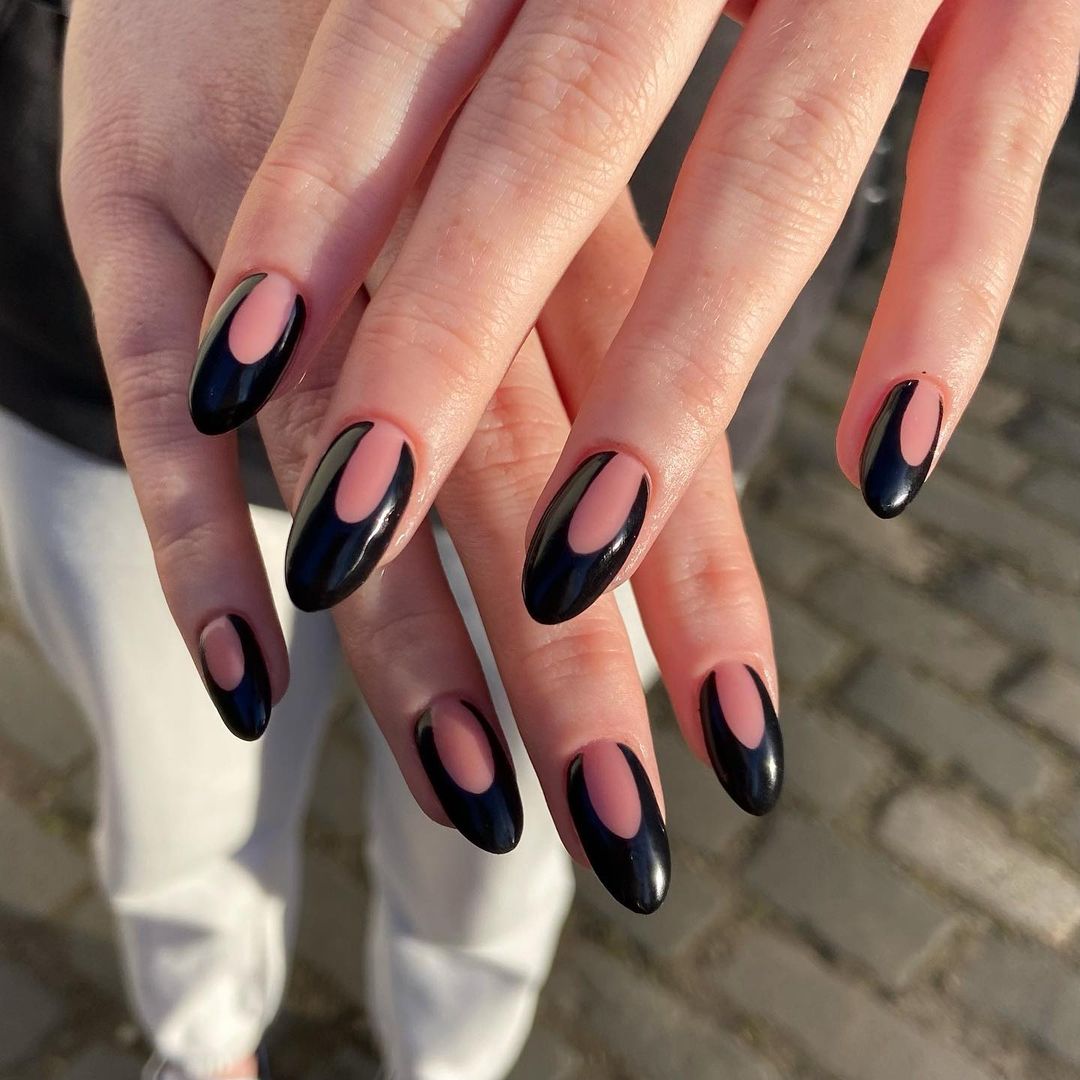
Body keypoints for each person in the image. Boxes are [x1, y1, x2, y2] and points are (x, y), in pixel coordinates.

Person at [1, 1, 1075, 1077]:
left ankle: (450, 1059)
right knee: (172, 811)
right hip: (132, 254)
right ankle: (205, 1043)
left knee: (501, 845)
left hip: (637, 355)